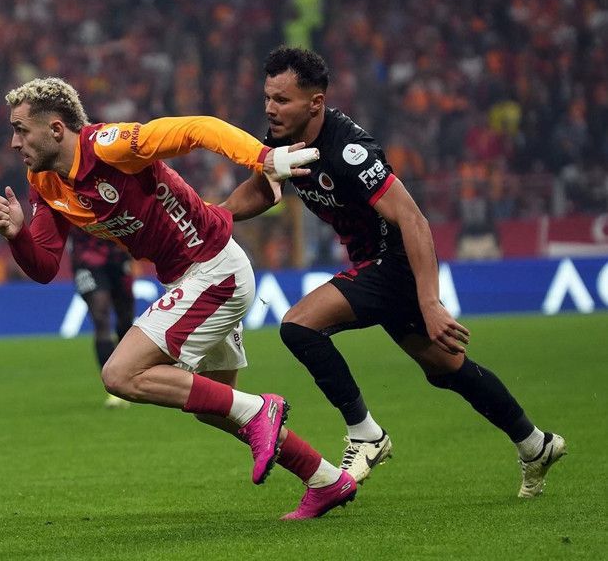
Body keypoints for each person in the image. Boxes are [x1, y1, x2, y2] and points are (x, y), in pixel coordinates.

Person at [0, 77, 355, 519]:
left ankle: (262, 409)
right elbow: (46, 266)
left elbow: (197, 128)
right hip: (190, 279)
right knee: (216, 407)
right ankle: (325, 479)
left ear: (54, 129)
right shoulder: (44, 181)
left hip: (215, 271)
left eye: (21, 130)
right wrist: (17, 236)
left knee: (121, 374)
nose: (14, 142)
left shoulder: (108, 146)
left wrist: (263, 158)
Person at [222, 46, 566, 498]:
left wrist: (430, 301)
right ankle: (535, 444)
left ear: (316, 102)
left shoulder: (350, 152)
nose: (270, 108)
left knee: (299, 326)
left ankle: (366, 434)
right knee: (446, 369)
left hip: (396, 262)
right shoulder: (281, 139)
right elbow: (263, 190)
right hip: (372, 264)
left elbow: (413, 220)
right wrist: (215, 214)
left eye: (282, 100)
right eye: (268, 97)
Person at [69, 227, 135, 408]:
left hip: (118, 254)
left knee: (125, 320)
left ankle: (130, 373)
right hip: (86, 258)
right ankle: (114, 387)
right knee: (100, 317)